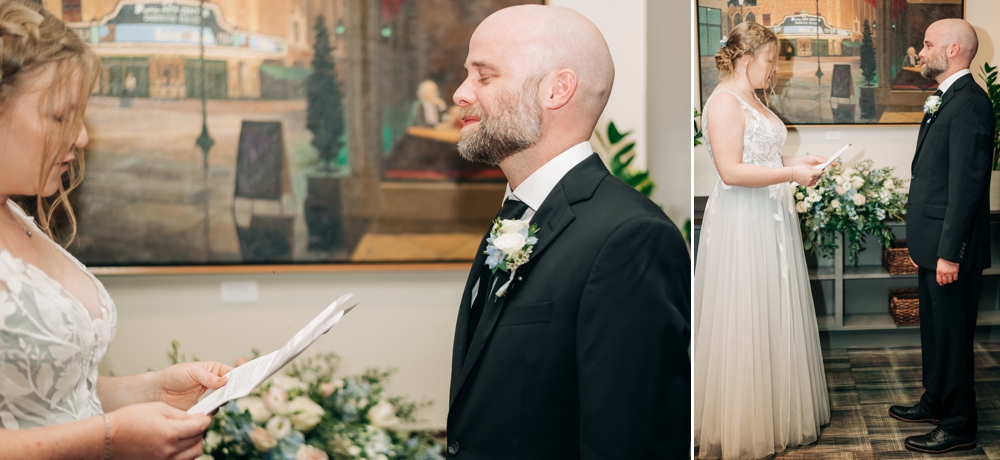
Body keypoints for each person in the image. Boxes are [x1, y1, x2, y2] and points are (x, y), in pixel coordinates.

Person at [446, 5, 690, 459]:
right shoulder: (518, 213)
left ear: (556, 89)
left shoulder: (630, 238)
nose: (461, 93)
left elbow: (631, 442)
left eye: (484, 76)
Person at [0, 2, 231, 458]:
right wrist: (111, 438)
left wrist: (152, 391)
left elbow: (47, 398)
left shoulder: (16, 215)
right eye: (61, 116)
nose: (82, 137)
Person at [693, 22, 831, 459]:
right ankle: (744, 423)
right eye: (770, 61)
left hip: (769, 216)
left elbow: (760, 157)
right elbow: (731, 172)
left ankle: (775, 409)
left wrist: (794, 160)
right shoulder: (722, 102)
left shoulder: (752, 98)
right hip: (743, 220)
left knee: (772, 308)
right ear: (746, 59)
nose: (774, 69)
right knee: (745, 311)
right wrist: (792, 174)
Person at [891, 18, 993, 455]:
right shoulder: (946, 98)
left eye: (928, 44)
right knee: (933, 332)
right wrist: (925, 245)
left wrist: (949, 253)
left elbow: (967, 188)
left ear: (953, 50)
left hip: (952, 250)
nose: (921, 50)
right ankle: (935, 401)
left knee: (952, 339)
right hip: (931, 244)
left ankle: (958, 425)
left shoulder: (971, 103)